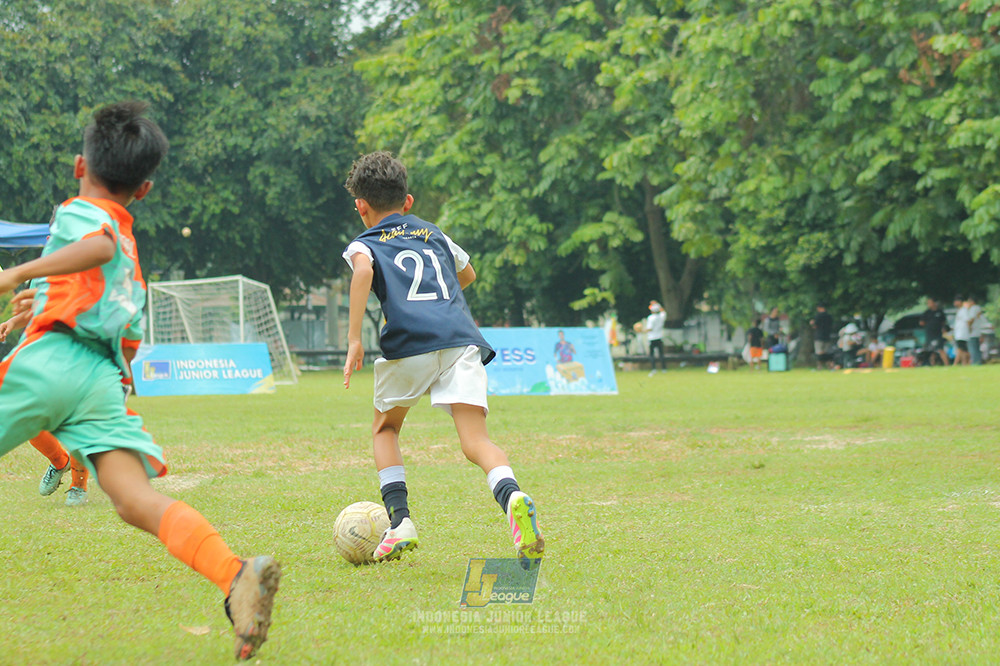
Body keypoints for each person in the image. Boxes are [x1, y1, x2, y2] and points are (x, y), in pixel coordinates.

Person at [0, 102, 279, 661]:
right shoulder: (131, 249)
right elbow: (109, 306)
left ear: (81, 165)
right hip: (100, 378)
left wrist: (14, 272)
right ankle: (235, 574)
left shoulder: (82, 212)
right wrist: (37, 306)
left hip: (54, 363)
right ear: (144, 190)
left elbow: (93, 243)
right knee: (134, 500)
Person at [341, 151, 544, 564]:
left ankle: (399, 524)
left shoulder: (363, 244)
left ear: (361, 207)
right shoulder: (433, 234)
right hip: (459, 340)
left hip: (409, 344)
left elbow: (362, 273)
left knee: (386, 430)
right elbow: (467, 274)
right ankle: (513, 496)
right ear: (409, 201)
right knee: (476, 441)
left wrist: (353, 341)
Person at [1, 301, 90, 506]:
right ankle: (60, 462)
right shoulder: (40, 275)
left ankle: (78, 486)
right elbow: (37, 309)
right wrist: (13, 322)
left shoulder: (80, 273)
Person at [919, 297, 948, 366]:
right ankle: (932, 364)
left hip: (938, 334)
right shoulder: (927, 312)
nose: (928, 304)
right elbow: (921, 322)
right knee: (930, 351)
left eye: (930, 302)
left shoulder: (940, 312)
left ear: (934, 303)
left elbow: (943, 322)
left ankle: (947, 364)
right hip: (930, 334)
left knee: (940, 349)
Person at [641, 300, 667, 375]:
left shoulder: (651, 318)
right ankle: (664, 369)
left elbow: (650, 328)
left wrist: (642, 330)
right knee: (661, 354)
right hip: (659, 337)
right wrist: (657, 304)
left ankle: (653, 369)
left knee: (652, 355)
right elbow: (663, 311)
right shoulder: (661, 316)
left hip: (652, 338)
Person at [810, 304, 834, 369]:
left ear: (819, 308)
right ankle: (829, 365)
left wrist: (812, 323)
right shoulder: (829, 316)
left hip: (819, 336)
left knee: (819, 352)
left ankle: (819, 366)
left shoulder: (818, 316)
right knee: (827, 352)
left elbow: (815, 326)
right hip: (827, 336)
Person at [966, 295, 985, 365]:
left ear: (972, 302)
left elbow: (971, 319)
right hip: (977, 332)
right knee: (977, 348)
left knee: (973, 348)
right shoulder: (978, 308)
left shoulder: (973, 308)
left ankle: (975, 362)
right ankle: (978, 361)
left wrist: (969, 327)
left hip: (973, 332)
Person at [952, 295, 971, 366]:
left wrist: (969, 330)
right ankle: (965, 363)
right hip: (959, 333)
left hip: (962, 333)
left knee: (960, 349)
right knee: (963, 350)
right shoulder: (960, 310)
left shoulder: (964, 310)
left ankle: (955, 363)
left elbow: (968, 321)